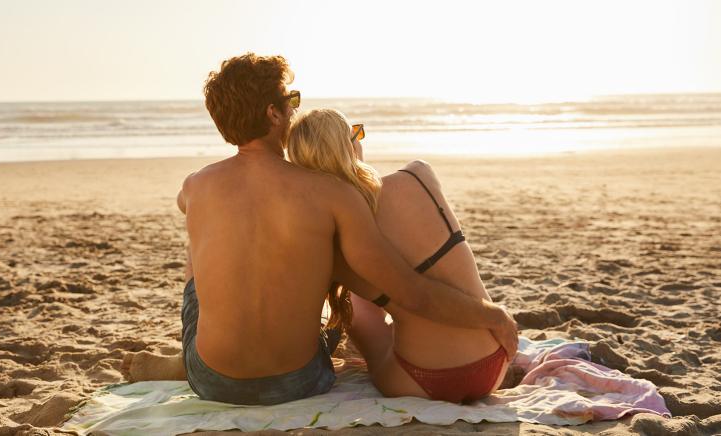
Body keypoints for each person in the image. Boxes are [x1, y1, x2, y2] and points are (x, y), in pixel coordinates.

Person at [120, 53, 518, 406]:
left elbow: (191, 208)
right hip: (300, 382)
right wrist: (495, 317)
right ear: (273, 115)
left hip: (213, 382)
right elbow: (413, 294)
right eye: (291, 102)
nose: (294, 110)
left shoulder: (194, 187)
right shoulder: (331, 194)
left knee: (198, 248)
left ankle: (184, 362)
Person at [287, 108, 511, 403]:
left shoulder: (334, 237)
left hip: (419, 379)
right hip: (495, 362)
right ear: (350, 144)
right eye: (356, 133)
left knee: (353, 299)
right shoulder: (419, 174)